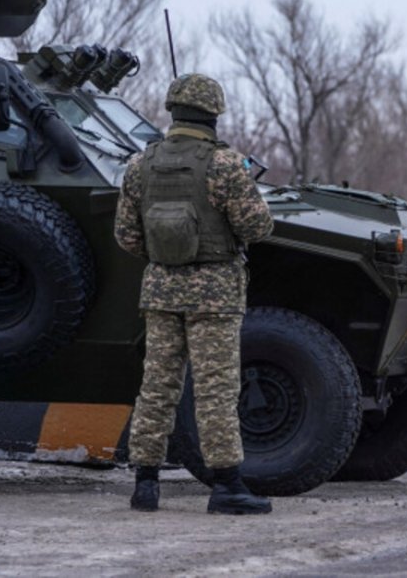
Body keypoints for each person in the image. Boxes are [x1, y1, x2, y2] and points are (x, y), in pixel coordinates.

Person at [114, 73, 274, 514]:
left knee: (157, 386)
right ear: (214, 114)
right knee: (215, 390)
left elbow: (126, 236)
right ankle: (226, 486)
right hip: (215, 295)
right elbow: (258, 227)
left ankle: (145, 484)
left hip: (162, 290)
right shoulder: (225, 165)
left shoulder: (140, 164)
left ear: (173, 111)